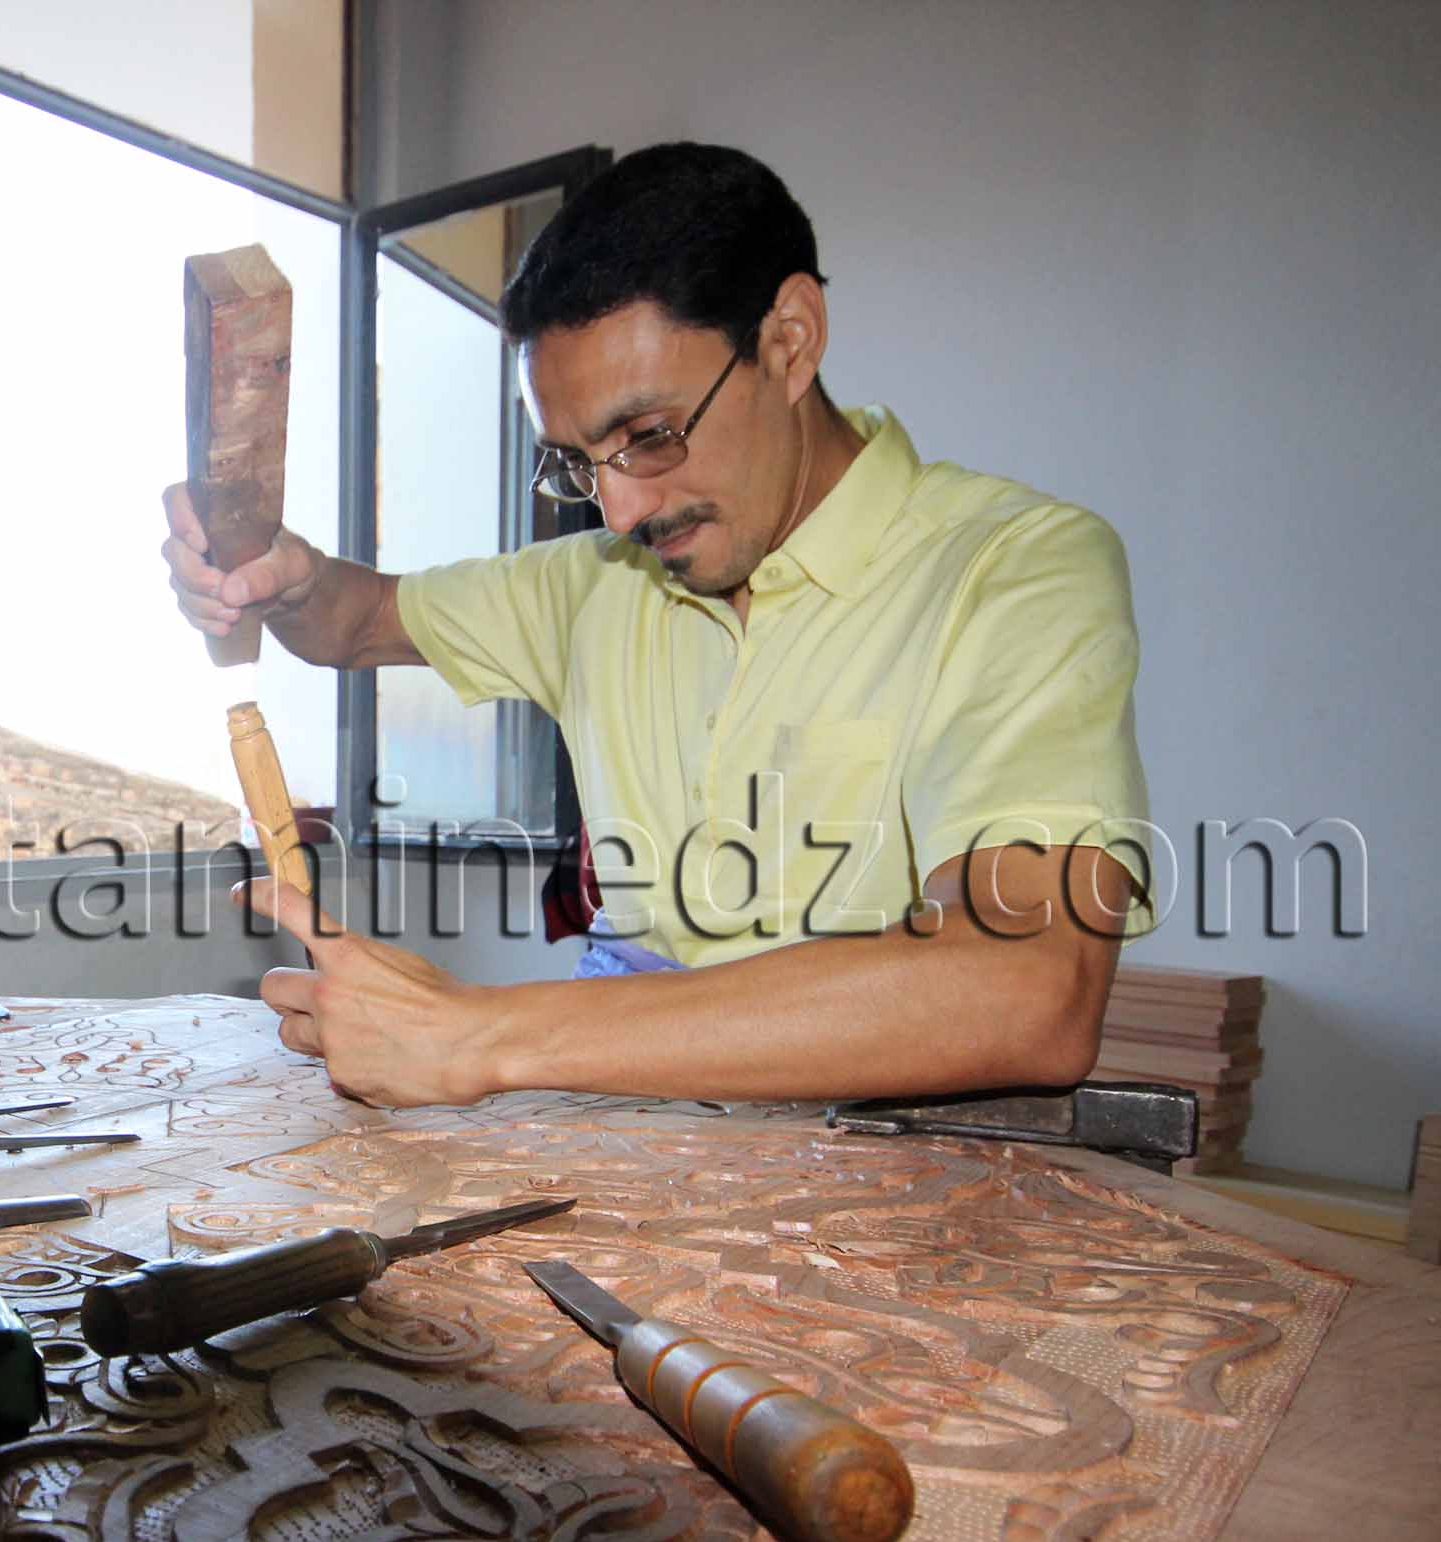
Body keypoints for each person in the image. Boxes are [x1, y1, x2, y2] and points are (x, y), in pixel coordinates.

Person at [161, 142, 1150, 1109]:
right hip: (614, 1133)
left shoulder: (1010, 567)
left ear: (790, 339)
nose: (623, 512)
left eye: (650, 435)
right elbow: (359, 620)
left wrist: (478, 1034)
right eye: (579, 464)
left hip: (880, 1162)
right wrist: (281, 582)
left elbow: (1025, 987)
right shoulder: (598, 584)